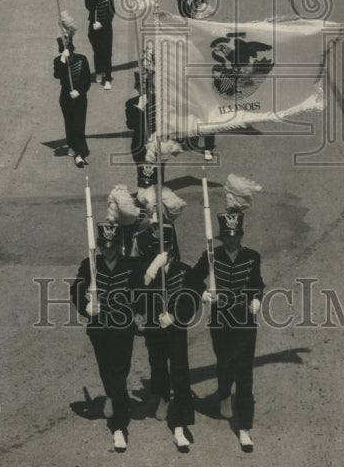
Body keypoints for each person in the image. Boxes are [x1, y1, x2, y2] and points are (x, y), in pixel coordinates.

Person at [191, 178, 264, 452]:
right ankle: (223, 393)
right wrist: (202, 293)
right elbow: (192, 278)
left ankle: (244, 427)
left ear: (241, 236)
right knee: (224, 364)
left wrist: (257, 299)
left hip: (245, 322)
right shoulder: (211, 256)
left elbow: (257, 284)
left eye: (236, 237)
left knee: (244, 375)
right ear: (223, 237)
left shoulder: (252, 257)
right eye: (228, 237)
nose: (232, 241)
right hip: (220, 321)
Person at [71, 221, 138, 452]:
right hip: (99, 329)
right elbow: (76, 290)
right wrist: (85, 306)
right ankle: (119, 412)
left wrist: (138, 311)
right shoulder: (89, 265)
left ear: (119, 246)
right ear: (99, 245)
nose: (108, 250)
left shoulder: (130, 265)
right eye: (105, 246)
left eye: (113, 246)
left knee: (120, 371)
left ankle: (118, 416)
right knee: (107, 370)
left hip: (123, 328)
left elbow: (141, 290)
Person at [135, 224, 199, 450]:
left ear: (173, 246)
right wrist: (152, 269)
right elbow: (137, 290)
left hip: (175, 327)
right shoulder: (148, 268)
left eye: (167, 245)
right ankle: (162, 396)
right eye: (158, 246)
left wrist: (173, 316)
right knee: (157, 363)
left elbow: (192, 300)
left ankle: (180, 426)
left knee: (180, 372)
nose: (164, 249)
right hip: (154, 325)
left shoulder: (184, 270)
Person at [53, 19, 91, 167]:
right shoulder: (58, 61)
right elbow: (57, 75)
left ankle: (80, 154)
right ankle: (71, 145)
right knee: (69, 123)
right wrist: (62, 59)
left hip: (80, 97)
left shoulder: (82, 59)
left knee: (79, 125)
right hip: (65, 97)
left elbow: (87, 80)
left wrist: (79, 91)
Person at [84, 0, 116, 89]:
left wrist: (102, 23)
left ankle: (107, 78)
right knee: (97, 51)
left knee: (106, 53)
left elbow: (112, 13)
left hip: (106, 29)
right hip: (93, 30)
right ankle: (98, 72)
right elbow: (89, 7)